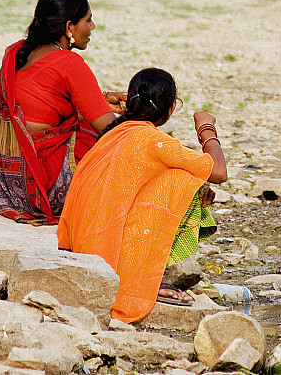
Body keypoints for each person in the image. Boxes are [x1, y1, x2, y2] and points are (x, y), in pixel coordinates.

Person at [57, 67, 227, 323]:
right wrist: (206, 128)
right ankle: (143, 278)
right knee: (185, 180)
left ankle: (148, 272)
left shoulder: (114, 133)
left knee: (186, 178)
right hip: (106, 257)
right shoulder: (152, 140)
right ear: (171, 108)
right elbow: (219, 172)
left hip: (82, 247)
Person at [0, 0, 125, 225]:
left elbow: (42, 104)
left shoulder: (17, 52)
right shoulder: (69, 63)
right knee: (122, 142)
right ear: (69, 27)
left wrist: (101, 99)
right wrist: (144, 117)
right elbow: (112, 133)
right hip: (43, 189)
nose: (92, 27)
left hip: (4, 187)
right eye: (88, 20)